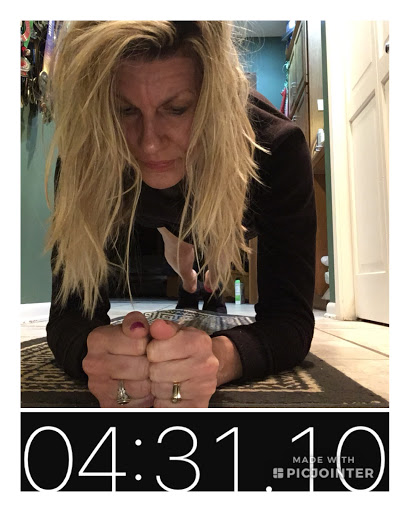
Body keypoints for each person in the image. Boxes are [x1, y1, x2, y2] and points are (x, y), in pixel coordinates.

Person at [45, 21, 316, 408]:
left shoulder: (276, 149)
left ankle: (197, 285)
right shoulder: (88, 156)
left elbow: (290, 321)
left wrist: (219, 359)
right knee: (179, 249)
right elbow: (69, 312)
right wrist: (94, 352)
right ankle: (187, 278)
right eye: (125, 110)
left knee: (203, 255)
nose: (150, 144)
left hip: (227, 207)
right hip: (148, 213)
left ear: (210, 101)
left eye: (177, 109)